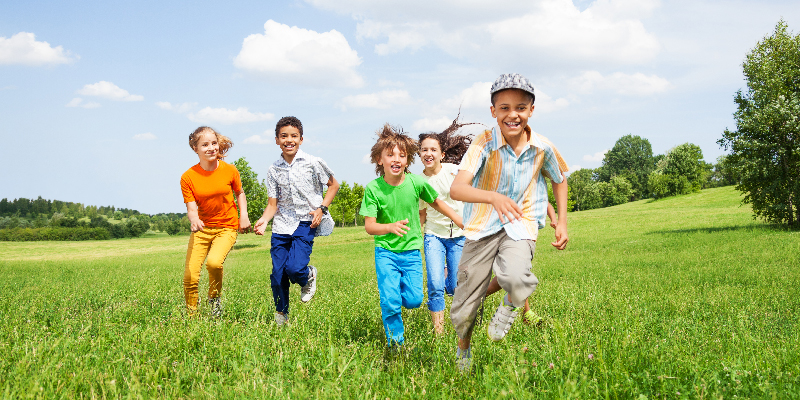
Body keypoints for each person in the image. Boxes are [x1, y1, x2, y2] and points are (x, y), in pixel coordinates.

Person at [449, 73, 570, 372]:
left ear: (531, 110)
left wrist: (563, 222)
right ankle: (463, 349)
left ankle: (511, 305)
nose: (512, 114)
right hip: (482, 227)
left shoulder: (543, 147)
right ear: (493, 111)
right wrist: (493, 197)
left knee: (517, 277)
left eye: (520, 107)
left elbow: (560, 180)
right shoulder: (484, 143)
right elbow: (457, 189)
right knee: (463, 310)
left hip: (522, 222)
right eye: (504, 108)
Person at [360, 124, 464, 348]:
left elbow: (436, 202)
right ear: (380, 159)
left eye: (402, 155)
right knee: (390, 302)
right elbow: (369, 226)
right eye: (390, 155)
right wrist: (389, 227)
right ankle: (395, 343)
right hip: (386, 252)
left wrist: (457, 218)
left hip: (411, 253)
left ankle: (396, 295)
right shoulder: (373, 189)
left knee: (415, 300)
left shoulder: (417, 183)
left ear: (407, 161)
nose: (396, 159)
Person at [254, 116, 339, 327]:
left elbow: (333, 185)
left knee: (294, 268)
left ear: (301, 139)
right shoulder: (274, 169)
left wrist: (322, 208)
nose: (289, 140)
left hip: (306, 221)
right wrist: (264, 220)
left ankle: (309, 274)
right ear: (276, 140)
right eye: (284, 136)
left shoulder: (313, 162)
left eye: (294, 136)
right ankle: (281, 316)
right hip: (282, 225)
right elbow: (272, 204)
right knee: (278, 273)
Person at [181, 126, 252, 317]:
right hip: (202, 230)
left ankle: (214, 301)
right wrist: (194, 219)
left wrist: (243, 215)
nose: (211, 148)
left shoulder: (229, 170)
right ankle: (191, 316)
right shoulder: (188, 177)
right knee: (190, 276)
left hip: (226, 227)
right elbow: (191, 206)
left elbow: (240, 193)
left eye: (214, 143)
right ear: (195, 148)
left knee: (213, 263)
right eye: (205, 145)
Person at [417, 116, 475, 334]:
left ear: (442, 154)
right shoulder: (418, 182)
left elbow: (471, 192)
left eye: (433, 149)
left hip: (460, 235)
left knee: (454, 286)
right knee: (434, 285)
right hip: (433, 235)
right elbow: (422, 214)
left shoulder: (453, 171)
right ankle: (439, 333)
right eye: (424, 150)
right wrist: (412, 235)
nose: (428, 153)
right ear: (419, 154)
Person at [484, 202, 558, 325]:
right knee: (517, 272)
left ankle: (476, 297)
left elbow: (545, 203)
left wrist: (555, 220)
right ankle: (526, 313)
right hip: (510, 233)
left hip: (528, 234)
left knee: (514, 274)